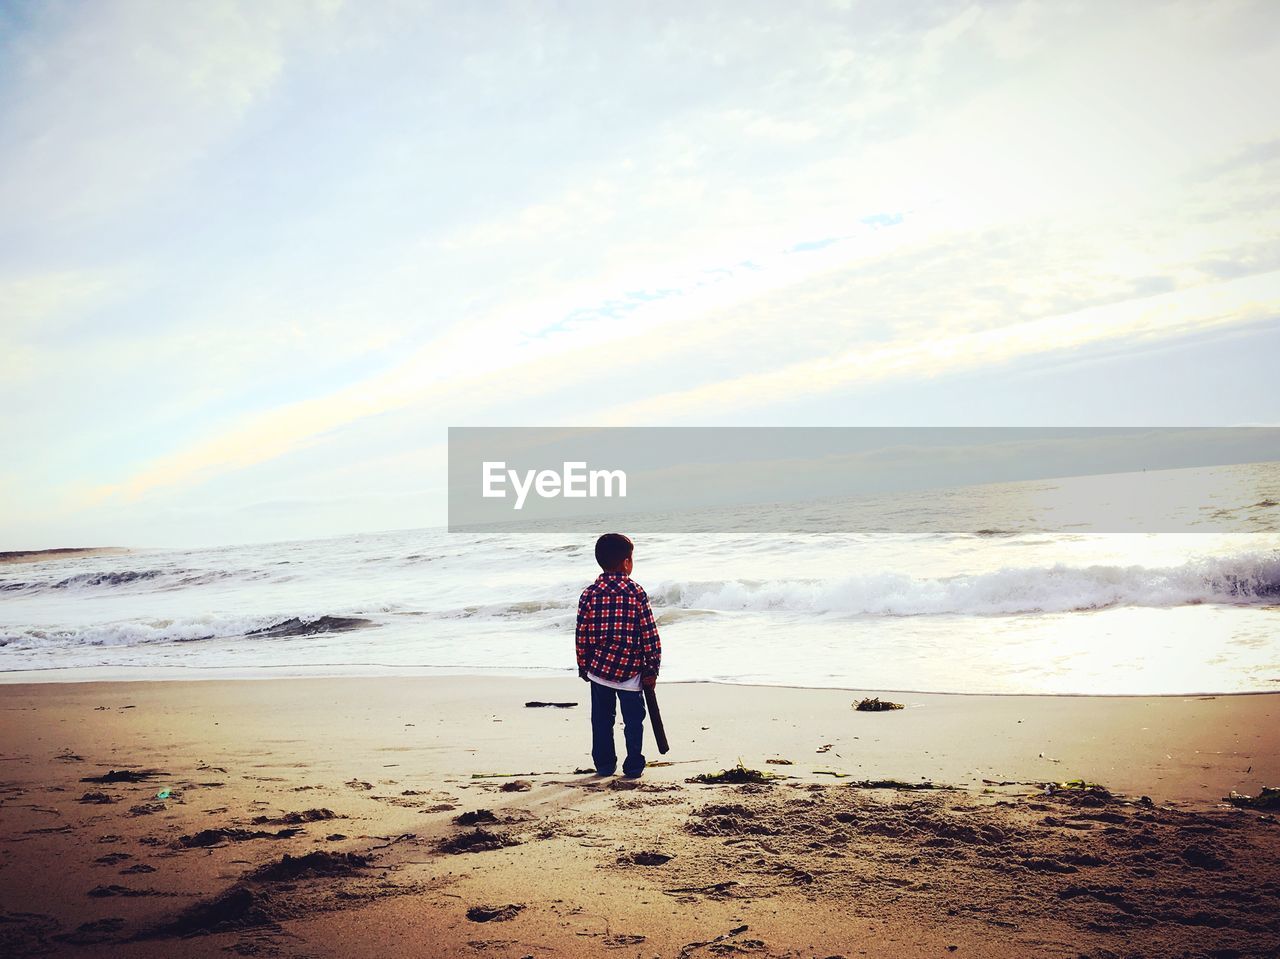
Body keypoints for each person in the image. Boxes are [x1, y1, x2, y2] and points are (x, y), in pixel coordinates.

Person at [575, 532, 661, 778]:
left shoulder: (589, 594)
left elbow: (582, 633)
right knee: (634, 721)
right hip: (631, 670)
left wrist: (583, 665)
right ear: (626, 562)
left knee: (601, 721)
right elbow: (649, 633)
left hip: (599, 669)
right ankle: (633, 765)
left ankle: (604, 765)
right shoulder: (636, 592)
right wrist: (652, 668)